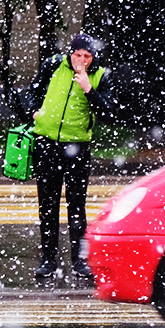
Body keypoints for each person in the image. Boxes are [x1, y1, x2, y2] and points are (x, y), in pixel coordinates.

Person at [24, 33, 112, 280]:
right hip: (47, 144)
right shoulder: (53, 65)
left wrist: (88, 89)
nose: (81, 61)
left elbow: (109, 112)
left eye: (87, 56)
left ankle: (79, 260)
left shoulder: (99, 75)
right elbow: (34, 90)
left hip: (77, 148)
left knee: (76, 207)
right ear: (70, 54)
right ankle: (48, 260)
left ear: (93, 57)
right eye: (77, 55)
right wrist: (34, 112)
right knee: (48, 206)